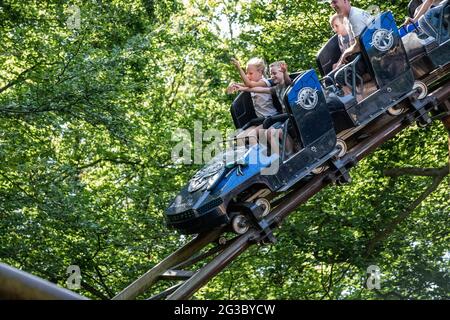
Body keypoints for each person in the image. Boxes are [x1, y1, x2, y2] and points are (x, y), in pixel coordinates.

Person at [234, 61, 294, 155]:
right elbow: (258, 89)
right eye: (271, 74)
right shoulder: (276, 89)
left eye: (274, 73)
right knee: (267, 133)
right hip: (283, 118)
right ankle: (279, 158)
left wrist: (285, 72)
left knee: (272, 133)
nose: (272, 76)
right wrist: (242, 88)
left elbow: (288, 81)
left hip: (291, 116)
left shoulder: (287, 84)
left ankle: (290, 154)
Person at [329, 0, 373, 69]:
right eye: (331, 3)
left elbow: (359, 46)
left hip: (373, 57)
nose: (333, 5)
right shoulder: (348, 17)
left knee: (339, 76)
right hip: (368, 55)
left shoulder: (354, 16)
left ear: (345, 1)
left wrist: (345, 53)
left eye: (335, 2)